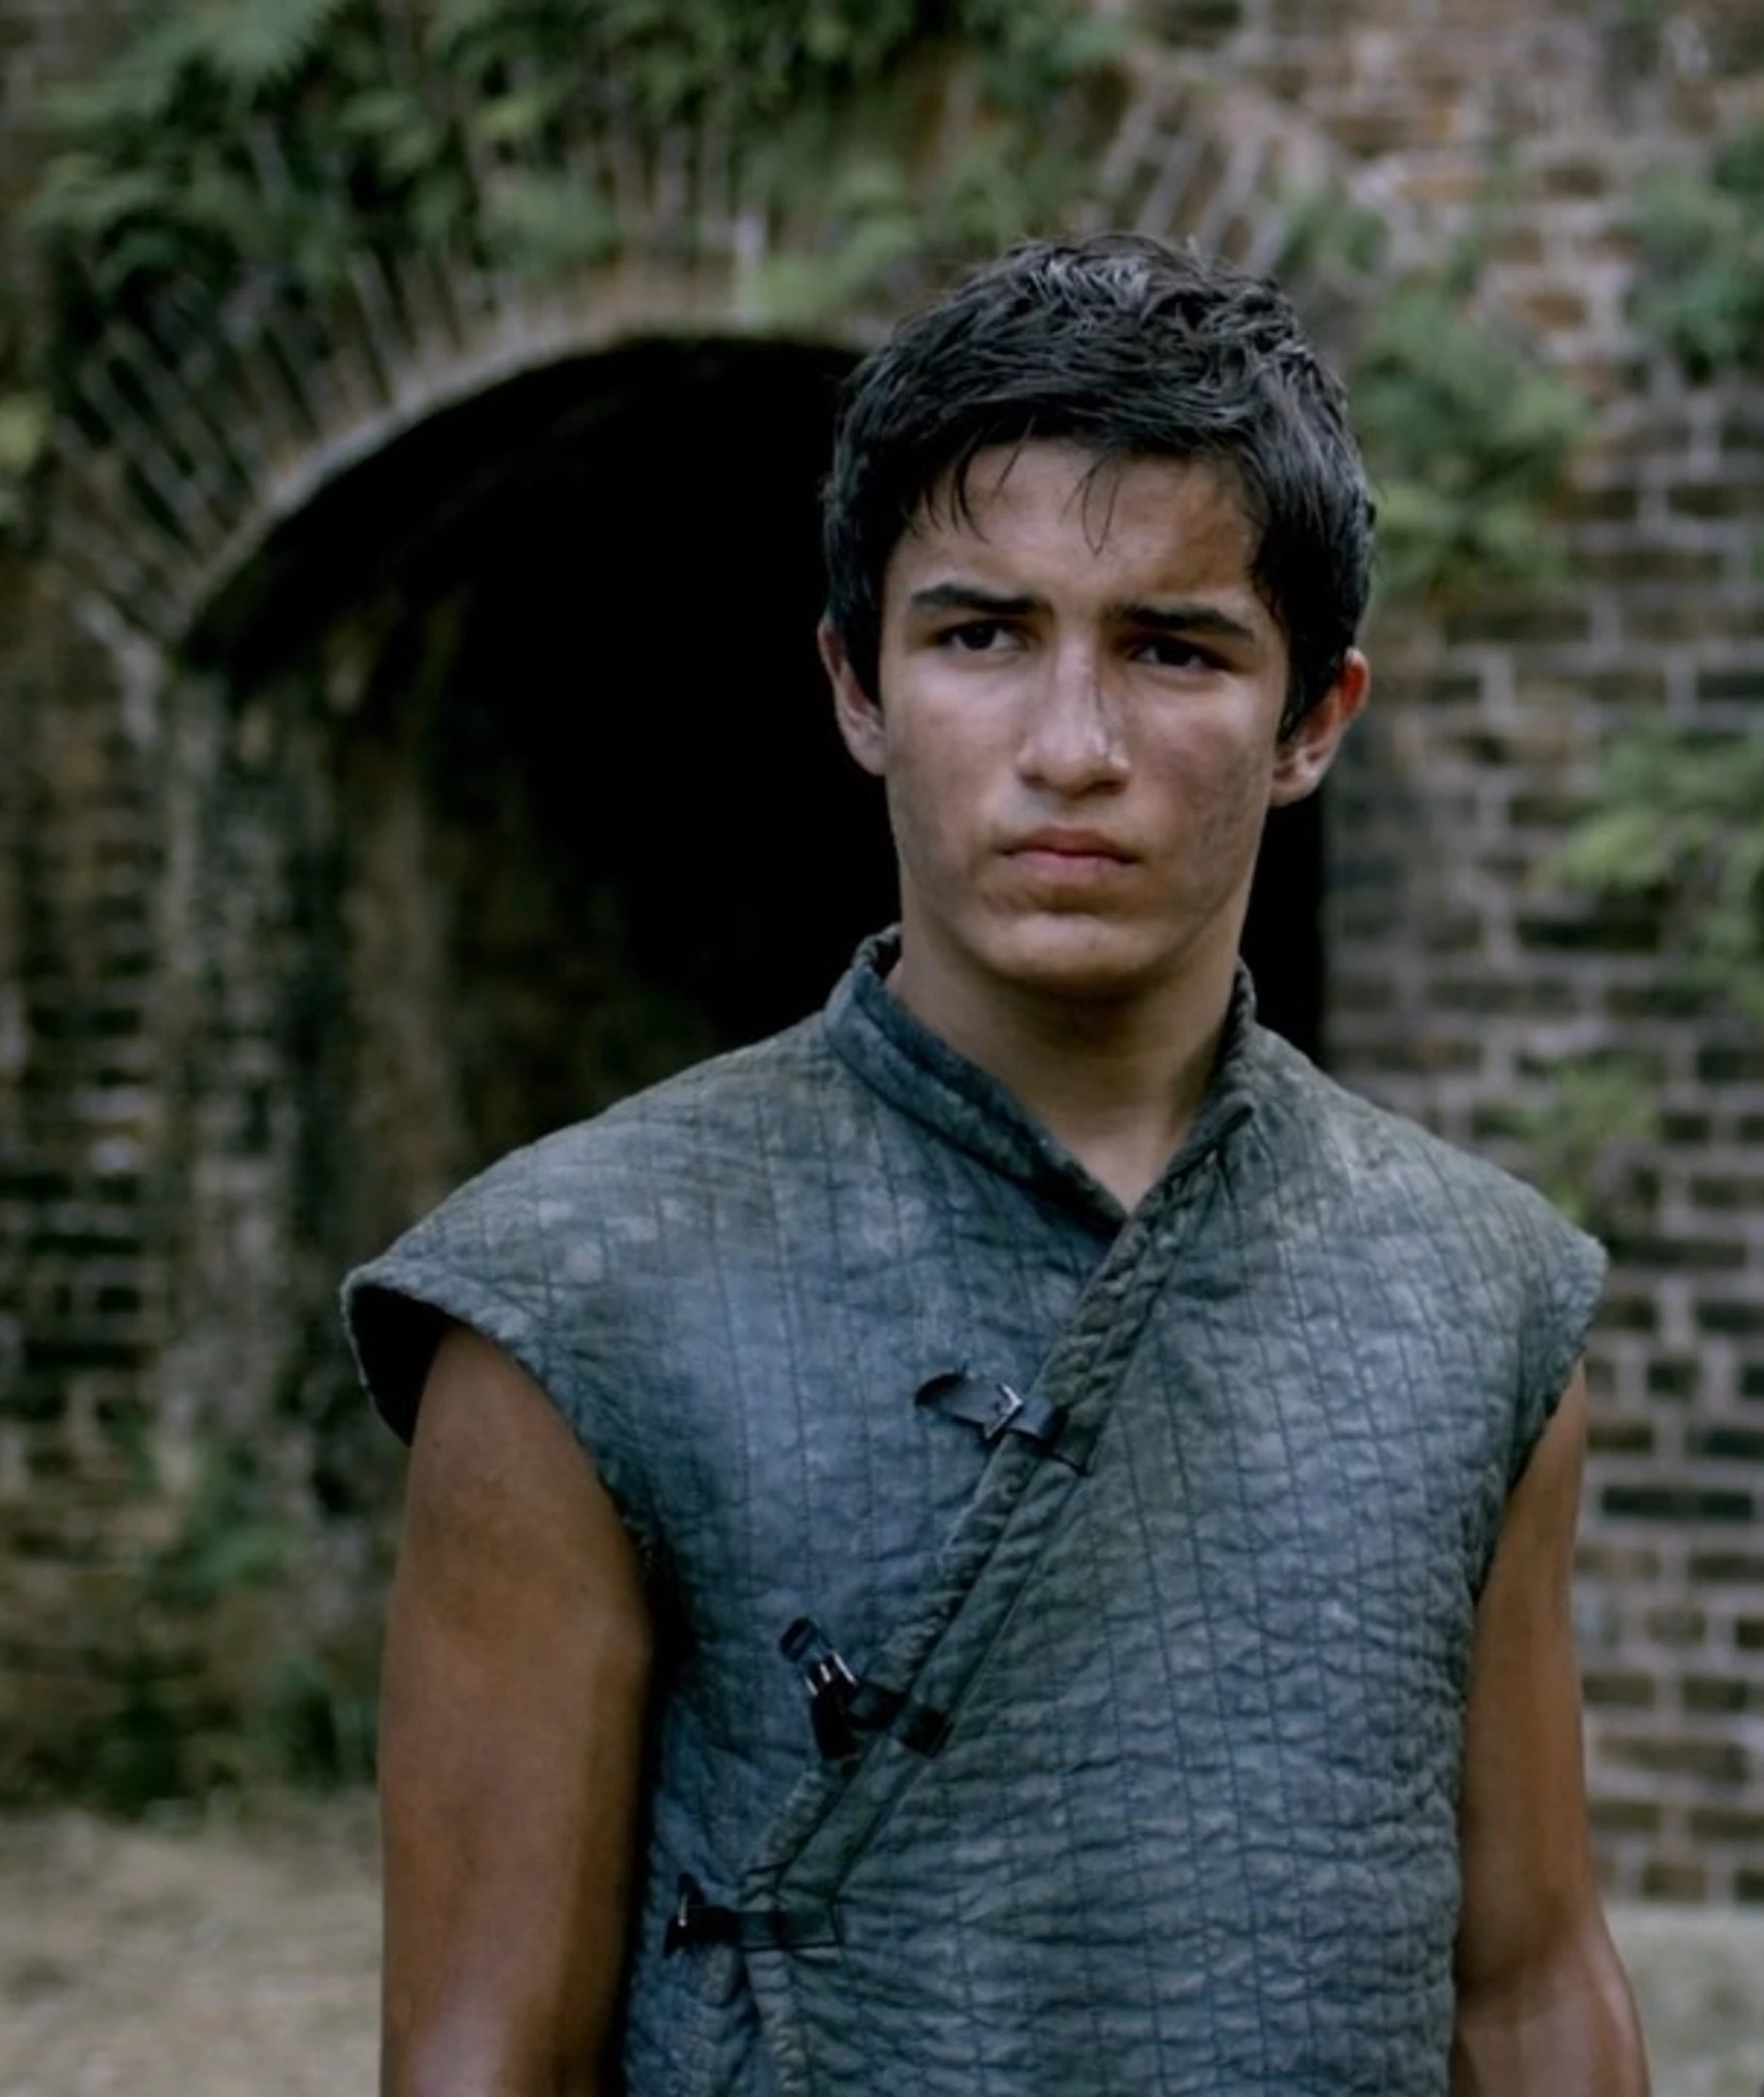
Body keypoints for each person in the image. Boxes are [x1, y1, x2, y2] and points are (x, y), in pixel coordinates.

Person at [352, 233, 1644, 2097]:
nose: (1071, 746)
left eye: (1173, 649)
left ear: (1313, 721)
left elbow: (1526, 1985)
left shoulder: (1480, 1295)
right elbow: (480, 2061)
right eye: (981, 635)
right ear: (857, 685)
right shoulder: (573, 1302)